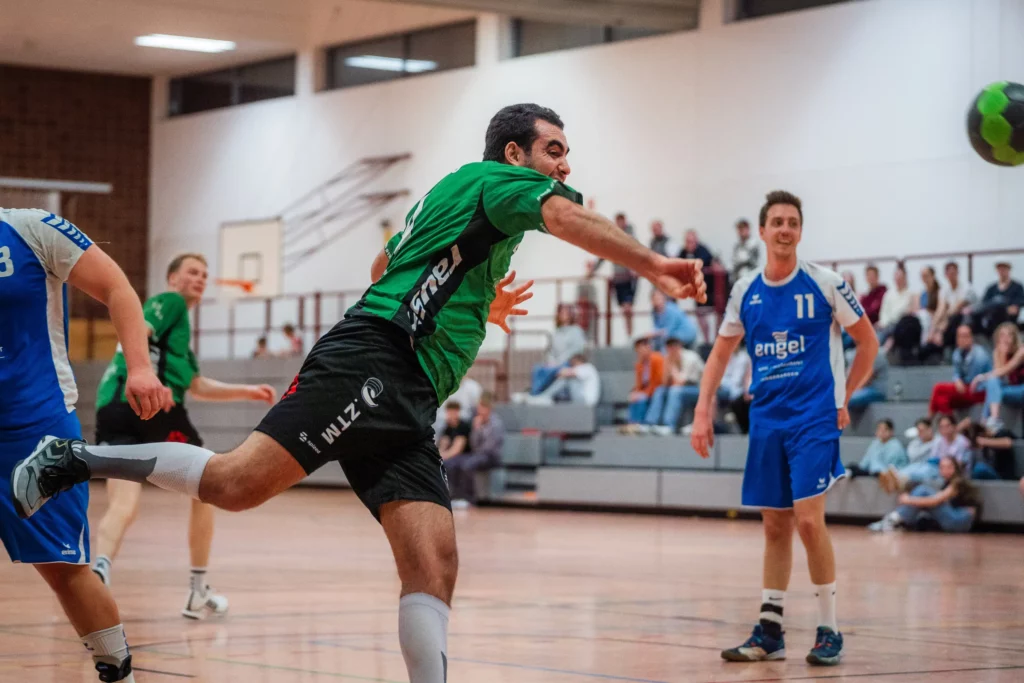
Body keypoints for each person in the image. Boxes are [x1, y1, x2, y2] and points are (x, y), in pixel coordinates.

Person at [12, 103, 706, 683]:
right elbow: (565, 217)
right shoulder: (503, 183)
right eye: (554, 150)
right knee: (235, 483)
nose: (564, 165)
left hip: (411, 396)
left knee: (434, 562)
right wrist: (652, 265)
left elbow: (383, 264)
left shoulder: (458, 195)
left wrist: (477, 298)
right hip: (375, 358)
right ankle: (75, 458)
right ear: (515, 153)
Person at [691, 190, 879, 667]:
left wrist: (844, 396)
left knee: (809, 521)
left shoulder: (825, 283)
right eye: (777, 222)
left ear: (800, 230)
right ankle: (770, 631)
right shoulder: (745, 291)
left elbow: (868, 343)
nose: (785, 229)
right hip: (767, 418)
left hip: (814, 416)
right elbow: (719, 354)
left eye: (792, 222)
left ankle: (829, 629)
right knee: (775, 525)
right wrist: (702, 409)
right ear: (762, 231)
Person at [0, 207, 172, 683]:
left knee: (63, 566)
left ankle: (118, 672)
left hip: (36, 431)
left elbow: (117, 287)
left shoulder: (30, 228)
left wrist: (140, 367)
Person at [90, 254, 276, 619]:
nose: (201, 278)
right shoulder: (169, 302)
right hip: (151, 405)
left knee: (124, 504)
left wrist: (247, 391)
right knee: (209, 485)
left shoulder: (179, 339)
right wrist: (143, 373)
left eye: (205, 274)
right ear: (172, 278)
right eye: (192, 272)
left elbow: (198, 385)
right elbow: (137, 328)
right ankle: (197, 588)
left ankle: (100, 571)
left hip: (113, 406)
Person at [868, 456, 980, 533]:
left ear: (955, 468)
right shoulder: (945, 482)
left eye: (949, 467)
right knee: (921, 493)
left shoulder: (957, 482)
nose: (945, 470)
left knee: (923, 491)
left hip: (960, 519)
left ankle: (893, 520)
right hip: (957, 518)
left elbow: (935, 500)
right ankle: (896, 521)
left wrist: (908, 500)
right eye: (942, 467)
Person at [880, 414, 970, 493]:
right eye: (941, 427)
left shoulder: (962, 442)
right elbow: (933, 457)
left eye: (947, 426)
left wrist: (944, 464)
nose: (944, 429)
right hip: (937, 467)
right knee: (919, 465)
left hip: (951, 472)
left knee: (927, 470)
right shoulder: (939, 440)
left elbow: (959, 464)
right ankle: (898, 476)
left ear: (954, 426)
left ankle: (900, 478)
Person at [445, 393, 505, 507]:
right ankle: (455, 497)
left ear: (488, 408)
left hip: (491, 456)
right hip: (476, 454)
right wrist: (476, 429)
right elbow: (473, 444)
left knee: (467, 465)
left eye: (482, 408)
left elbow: (489, 447)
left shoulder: (496, 424)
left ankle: (469, 498)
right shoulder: (476, 421)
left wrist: (476, 451)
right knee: (451, 463)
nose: (479, 410)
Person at [588, 212, 640, 337]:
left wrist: (636, 268)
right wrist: (592, 271)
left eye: (622, 221)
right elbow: (602, 255)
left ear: (624, 222)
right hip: (618, 278)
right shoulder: (611, 238)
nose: (620, 224)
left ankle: (630, 334)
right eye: (618, 222)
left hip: (629, 278)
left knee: (628, 308)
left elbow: (638, 252)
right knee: (624, 308)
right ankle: (628, 334)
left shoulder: (631, 237)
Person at [641, 337, 703, 436]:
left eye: (674, 346)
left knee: (675, 391)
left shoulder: (691, 357)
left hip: (699, 388)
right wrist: (667, 365)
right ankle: (650, 423)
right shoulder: (668, 358)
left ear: (679, 346)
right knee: (660, 390)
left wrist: (672, 366)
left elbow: (681, 382)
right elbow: (665, 383)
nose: (671, 349)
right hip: (683, 388)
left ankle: (669, 425)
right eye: (669, 347)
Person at [928, 325, 991, 417]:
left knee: (938, 388)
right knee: (942, 399)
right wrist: (957, 380)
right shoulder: (957, 353)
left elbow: (974, 382)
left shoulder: (980, 355)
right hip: (966, 388)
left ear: (971, 338)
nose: (962, 339)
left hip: (979, 391)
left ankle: (929, 420)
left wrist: (962, 385)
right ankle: (950, 420)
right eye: (959, 336)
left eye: (965, 336)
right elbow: (957, 373)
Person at [971, 321, 1024, 428]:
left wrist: (981, 377)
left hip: (1021, 389)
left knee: (991, 386)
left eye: (1009, 335)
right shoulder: (997, 352)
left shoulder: (1021, 351)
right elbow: (1000, 378)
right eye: (1002, 335)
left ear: (1014, 337)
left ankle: (985, 421)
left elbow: (1006, 370)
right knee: (992, 383)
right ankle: (992, 419)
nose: (1005, 339)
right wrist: (1002, 354)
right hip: (1008, 389)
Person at [529, 303, 587, 394]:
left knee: (551, 371)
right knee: (538, 368)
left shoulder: (576, 331)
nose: (563, 315)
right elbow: (551, 350)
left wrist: (559, 362)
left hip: (568, 362)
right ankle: (535, 392)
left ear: (571, 315)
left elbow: (575, 350)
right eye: (561, 313)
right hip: (555, 363)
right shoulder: (556, 333)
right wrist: (551, 361)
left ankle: (538, 394)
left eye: (566, 312)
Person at [623, 336, 665, 433]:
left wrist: (645, 393)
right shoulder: (639, 364)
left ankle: (640, 423)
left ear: (649, 347)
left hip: (657, 389)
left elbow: (658, 381)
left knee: (641, 398)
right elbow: (639, 384)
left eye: (642, 348)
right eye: (638, 349)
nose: (640, 352)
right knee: (634, 396)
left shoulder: (657, 359)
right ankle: (632, 423)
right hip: (646, 390)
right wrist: (635, 393)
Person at [525, 353, 601, 406]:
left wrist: (553, 369)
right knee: (565, 381)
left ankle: (545, 397)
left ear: (578, 361)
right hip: (584, 399)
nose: (572, 366)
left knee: (566, 379)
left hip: (586, 401)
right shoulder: (587, 368)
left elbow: (563, 373)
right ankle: (545, 397)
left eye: (573, 364)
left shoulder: (587, 367)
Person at [972, 261, 1024, 337]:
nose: (1002, 271)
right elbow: (984, 303)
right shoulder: (991, 288)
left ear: (1009, 269)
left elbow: (1020, 301)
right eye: (1000, 268)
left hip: (1009, 320)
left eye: (1004, 268)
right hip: (992, 320)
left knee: (999, 302)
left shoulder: (1017, 287)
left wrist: (1015, 306)